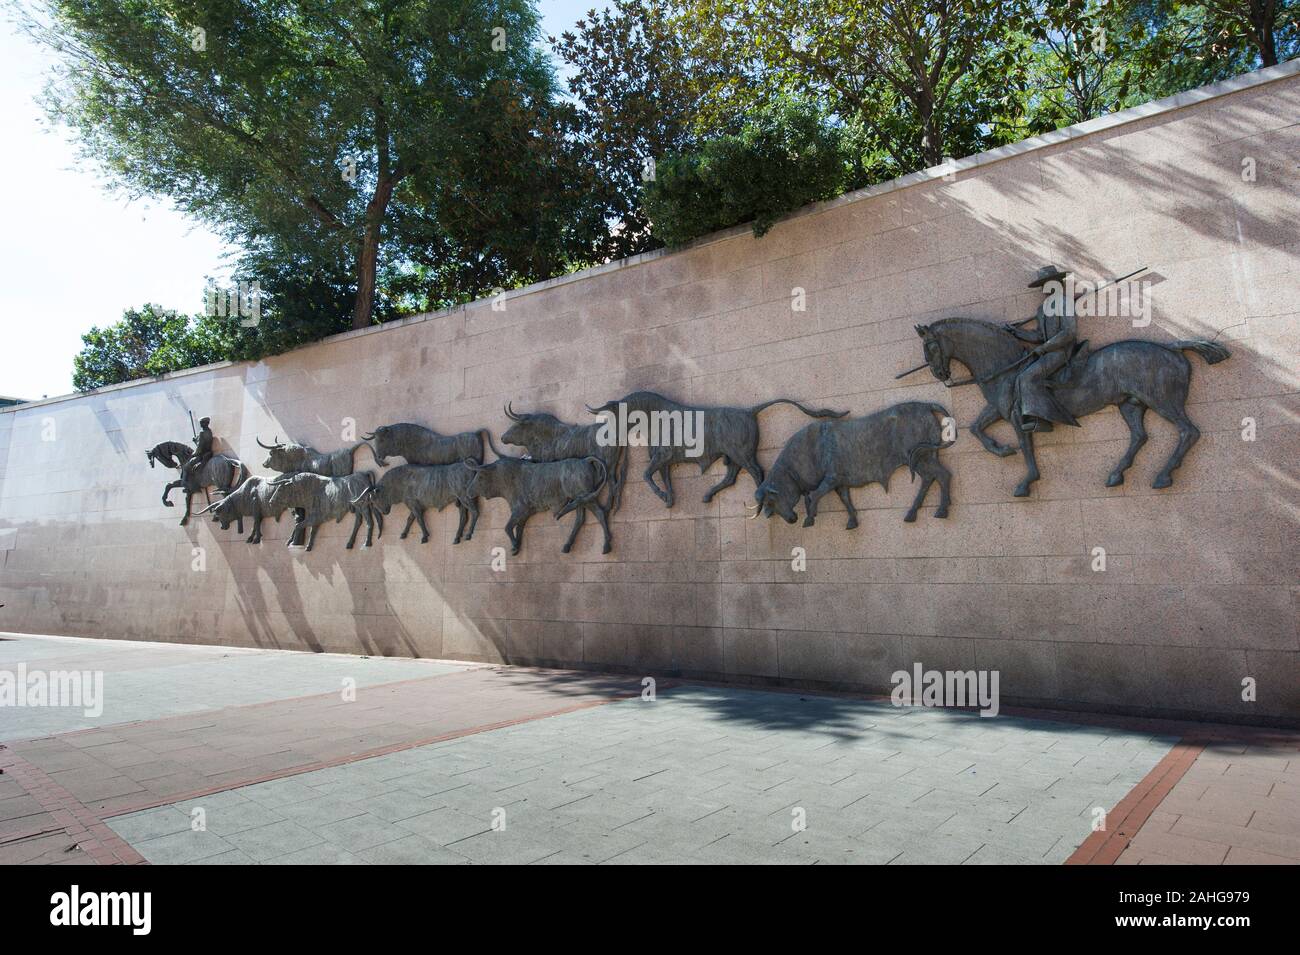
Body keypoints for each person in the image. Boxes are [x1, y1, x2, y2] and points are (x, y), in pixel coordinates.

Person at [1005, 266, 1081, 433]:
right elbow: (1039, 335)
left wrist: (1045, 347)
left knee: (1027, 377)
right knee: (1019, 376)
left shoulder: (1064, 302)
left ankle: (1041, 420)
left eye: (1048, 284)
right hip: (1048, 352)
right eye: (1043, 285)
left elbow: (1069, 332)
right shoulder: (1043, 308)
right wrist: (1017, 332)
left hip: (1061, 352)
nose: (1045, 289)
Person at [181, 416, 214, 483]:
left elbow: (199, 448)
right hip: (209, 453)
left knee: (186, 466)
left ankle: (185, 484)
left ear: (205, 423)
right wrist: (196, 441)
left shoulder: (202, 433)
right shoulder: (209, 431)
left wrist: (193, 454)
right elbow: (205, 443)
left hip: (202, 455)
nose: (200, 424)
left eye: (201, 423)